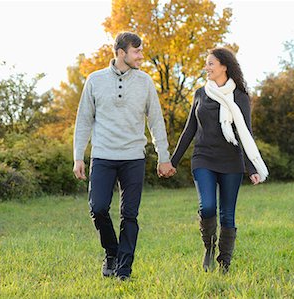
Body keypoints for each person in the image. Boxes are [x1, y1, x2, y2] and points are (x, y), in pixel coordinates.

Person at [73, 32, 176, 281]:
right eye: (136, 51)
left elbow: (156, 122)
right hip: (103, 156)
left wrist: (164, 156)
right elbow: (84, 119)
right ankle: (112, 252)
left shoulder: (145, 82)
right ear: (121, 53)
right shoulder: (95, 80)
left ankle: (124, 269)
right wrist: (78, 156)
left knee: (129, 214)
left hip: (133, 157)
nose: (141, 56)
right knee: (98, 208)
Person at [170, 47, 268, 273]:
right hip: (203, 157)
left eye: (211, 63)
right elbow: (188, 131)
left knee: (227, 214)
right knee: (208, 207)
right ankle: (208, 248)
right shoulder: (200, 94)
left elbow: (246, 133)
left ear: (224, 66)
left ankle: (224, 262)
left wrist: (251, 167)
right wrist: (172, 162)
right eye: (207, 63)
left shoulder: (240, 97)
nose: (207, 67)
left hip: (231, 161)